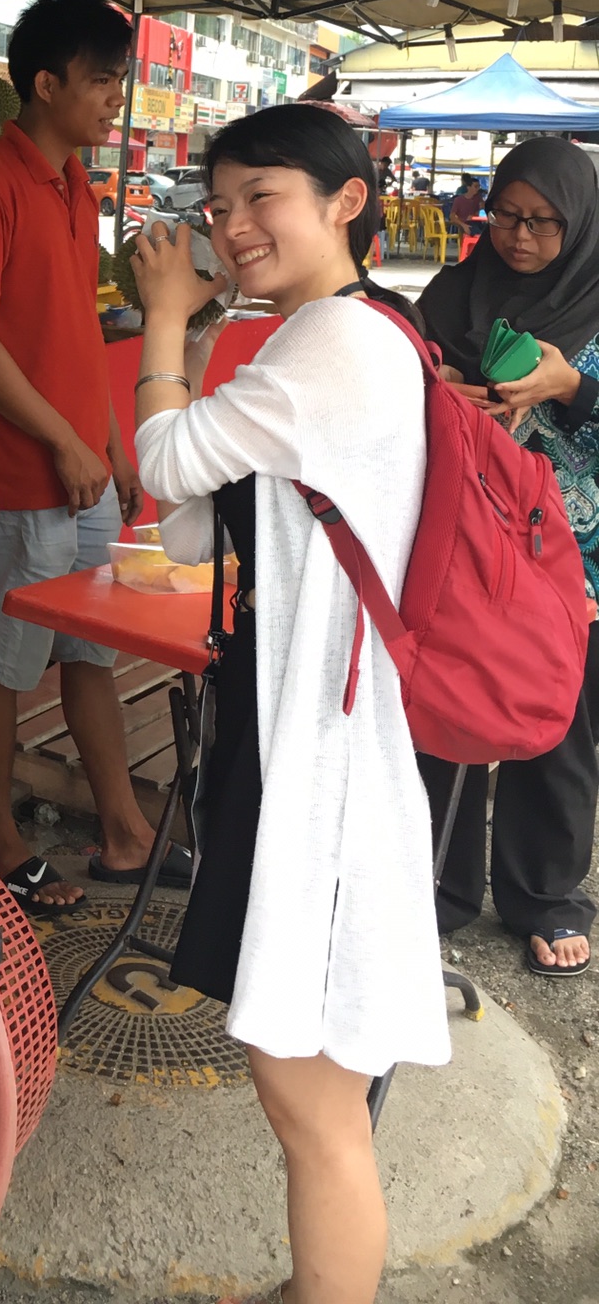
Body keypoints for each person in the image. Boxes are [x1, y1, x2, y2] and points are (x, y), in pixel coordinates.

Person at [130, 105, 447, 1304]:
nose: (230, 227)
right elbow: (201, 514)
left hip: (327, 746)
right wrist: (204, 349)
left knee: (309, 1097)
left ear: (345, 202)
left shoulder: (337, 345)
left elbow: (161, 468)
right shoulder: (327, 337)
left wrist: (167, 321)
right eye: (217, 208)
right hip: (302, 736)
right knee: (308, 1086)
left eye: (261, 196)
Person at [0, 0, 180, 915]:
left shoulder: (77, 185)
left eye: (119, 76)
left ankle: (123, 828)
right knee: (6, 651)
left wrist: (112, 443)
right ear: (45, 85)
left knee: (91, 650)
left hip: (85, 469)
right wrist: (63, 441)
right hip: (21, 475)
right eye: (103, 78)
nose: (117, 95)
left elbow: (74, 329)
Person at [417, 140, 599, 979]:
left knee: (558, 721)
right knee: (452, 703)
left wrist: (571, 389)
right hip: (470, 545)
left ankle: (545, 893)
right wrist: (437, 394)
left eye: (543, 223)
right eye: (506, 216)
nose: (519, 237)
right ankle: (436, 887)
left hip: (576, 558)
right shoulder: (455, 291)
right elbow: (399, 381)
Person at [448, 172, 484, 238]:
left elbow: (482, 212)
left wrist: (481, 209)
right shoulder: (459, 200)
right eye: (476, 186)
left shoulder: (478, 198)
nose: (478, 189)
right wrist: (463, 225)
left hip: (477, 222)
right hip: (466, 223)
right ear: (468, 187)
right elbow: (452, 216)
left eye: (479, 186)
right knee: (479, 235)